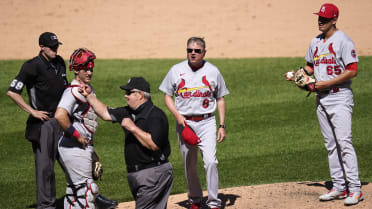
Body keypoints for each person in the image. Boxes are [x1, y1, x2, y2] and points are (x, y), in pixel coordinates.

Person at [284, 3, 363, 206]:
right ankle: (338, 187)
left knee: (344, 143)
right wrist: (297, 75)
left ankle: (355, 189)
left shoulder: (343, 41)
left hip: (340, 97)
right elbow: (311, 66)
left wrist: (327, 83)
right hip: (322, 99)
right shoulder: (315, 42)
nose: (320, 21)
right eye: (319, 17)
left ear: (334, 20)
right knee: (331, 145)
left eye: (325, 18)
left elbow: (352, 70)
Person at [81, 77, 173, 209]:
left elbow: (153, 144)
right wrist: (89, 95)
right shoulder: (127, 112)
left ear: (140, 94)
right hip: (138, 175)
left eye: (129, 93)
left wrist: (133, 128)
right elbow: (105, 113)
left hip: (154, 173)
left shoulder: (155, 115)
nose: (126, 96)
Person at [159, 37, 229, 209]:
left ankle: (214, 202)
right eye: (190, 50)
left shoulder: (213, 71)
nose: (193, 53)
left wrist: (222, 125)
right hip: (185, 124)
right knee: (189, 164)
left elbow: (220, 98)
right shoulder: (176, 70)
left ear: (204, 52)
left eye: (197, 51)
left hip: (207, 122)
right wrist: (177, 116)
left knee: (211, 162)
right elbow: (167, 95)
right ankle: (195, 199)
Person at [7, 32, 67, 209]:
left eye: (57, 46)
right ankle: (46, 206)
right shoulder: (32, 66)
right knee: (45, 169)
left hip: (62, 119)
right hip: (44, 123)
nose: (55, 49)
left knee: (72, 160)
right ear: (42, 47)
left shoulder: (60, 62)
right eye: (52, 47)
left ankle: (81, 197)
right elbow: (12, 91)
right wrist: (32, 111)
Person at [54, 48, 118, 209]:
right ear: (76, 70)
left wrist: (92, 150)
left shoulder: (87, 89)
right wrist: (77, 136)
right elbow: (59, 115)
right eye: (85, 69)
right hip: (73, 146)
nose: (89, 72)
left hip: (80, 147)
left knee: (74, 193)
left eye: (91, 69)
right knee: (88, 191)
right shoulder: (74, 91)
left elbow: (87, 124)